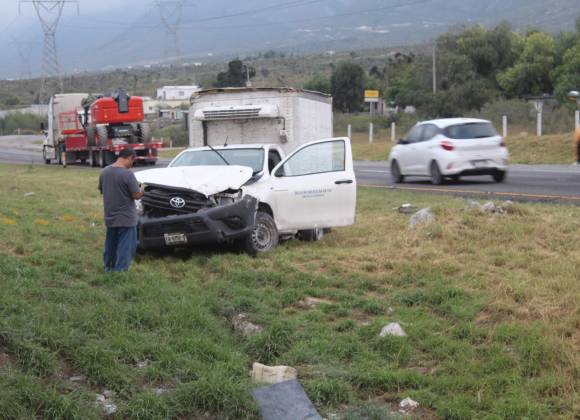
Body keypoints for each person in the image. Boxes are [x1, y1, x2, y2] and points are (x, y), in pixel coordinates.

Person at [98, 148, 144, 272]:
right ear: (129, 158)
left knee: (110, 244)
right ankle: (121, 271)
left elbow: (102, 190)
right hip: (126, 218)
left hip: (110, 216)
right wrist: (142, 190)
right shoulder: (128, 174)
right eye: (132, 161)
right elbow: (136, 195)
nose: (132, 165)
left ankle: (109, 267)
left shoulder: (105, 171)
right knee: (126, 246)